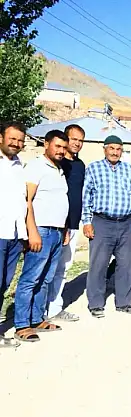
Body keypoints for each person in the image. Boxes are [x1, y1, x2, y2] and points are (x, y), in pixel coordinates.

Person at [13, 130, 69, 342]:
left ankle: (37, 319)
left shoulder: (59, 169)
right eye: (57, 146)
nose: (61, 151)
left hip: (56, 232)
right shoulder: (36, 166)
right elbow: (27, 200)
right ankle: (22, 325)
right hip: (41, 231)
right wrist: (32, 232)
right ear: (46, 144)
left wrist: (64, 230)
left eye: (64, 147)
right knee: (30, 278)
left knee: (46, 278)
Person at [82, 135, 131, 318]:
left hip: (126, 223)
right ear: (105, 149)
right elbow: (86, 196)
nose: (115, 152)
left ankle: (124, 302)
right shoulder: (94, 168)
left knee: (127, 264)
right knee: (99, 264)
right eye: (112, 148)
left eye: (118, 149)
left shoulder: (129, 169)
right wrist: (87, 222)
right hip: (102, 222)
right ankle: (96, 304)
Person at [47, 124, 86, 323]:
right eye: (74, 139)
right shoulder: (57, 164)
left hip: (73, 224)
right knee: (47, 268)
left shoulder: (80, 165)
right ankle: (38, 310)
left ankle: (54, 308)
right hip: (54, 224)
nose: (77, 143)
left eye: (81, 140)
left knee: (63, 268)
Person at [0, 122, 27, 347]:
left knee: (4, 284)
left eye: (20, 140)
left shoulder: (20, 166)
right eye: (12, 138)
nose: (16, 143)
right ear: (1, 138)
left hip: (15, 236)